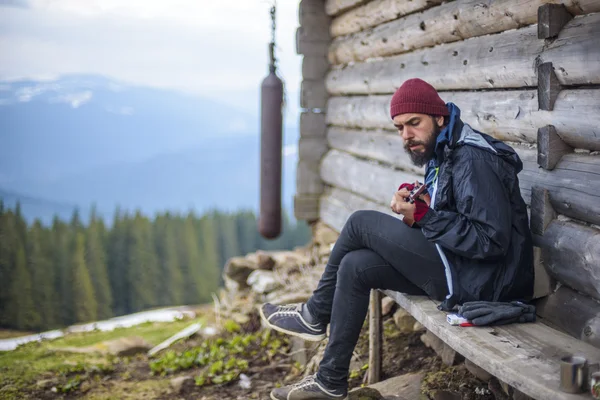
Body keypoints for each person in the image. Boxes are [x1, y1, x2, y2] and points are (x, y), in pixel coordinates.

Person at [260, 78, 534, 400]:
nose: (406, 135)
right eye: (399, 127)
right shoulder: (446, 151)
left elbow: (490, 242)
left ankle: (315, 314)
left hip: (485, 284)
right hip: (461, 268)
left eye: (414, 123)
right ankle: (329, 380)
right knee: (355, 264)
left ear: (440, 117)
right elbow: (459, 217)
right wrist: (423, 205)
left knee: (360, 222)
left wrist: (425, 217)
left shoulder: (472, 159)